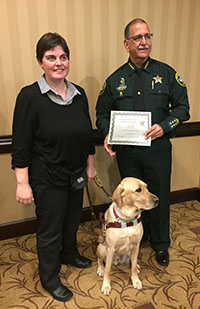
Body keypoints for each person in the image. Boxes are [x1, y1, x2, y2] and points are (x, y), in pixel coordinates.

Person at [96, 18, 190, 267]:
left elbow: (183, 108)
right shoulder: (115, 80)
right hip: (128, 153)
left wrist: (165, 126)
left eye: (147, 36)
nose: (144, 41)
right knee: (131, 201)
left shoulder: (167, 73)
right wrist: (107, 133)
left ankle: (160, 244)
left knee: (157, 198)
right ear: (126, 44)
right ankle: (139, 238)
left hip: (157, 151)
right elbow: (101, 112)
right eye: (137, 38)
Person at [12, 32, 96, 302]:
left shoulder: (79, 94)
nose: (58, 62)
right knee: (50, 231)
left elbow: (86, 134)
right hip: (47, 178)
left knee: (72, 221)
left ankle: (69, 253)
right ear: (40, 62)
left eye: (63, 56)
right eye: (51, 57)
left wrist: (90, 164)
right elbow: (21, 145)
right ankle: (50, 278)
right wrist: (22, 183)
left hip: (76, 175)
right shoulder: (30, 97)